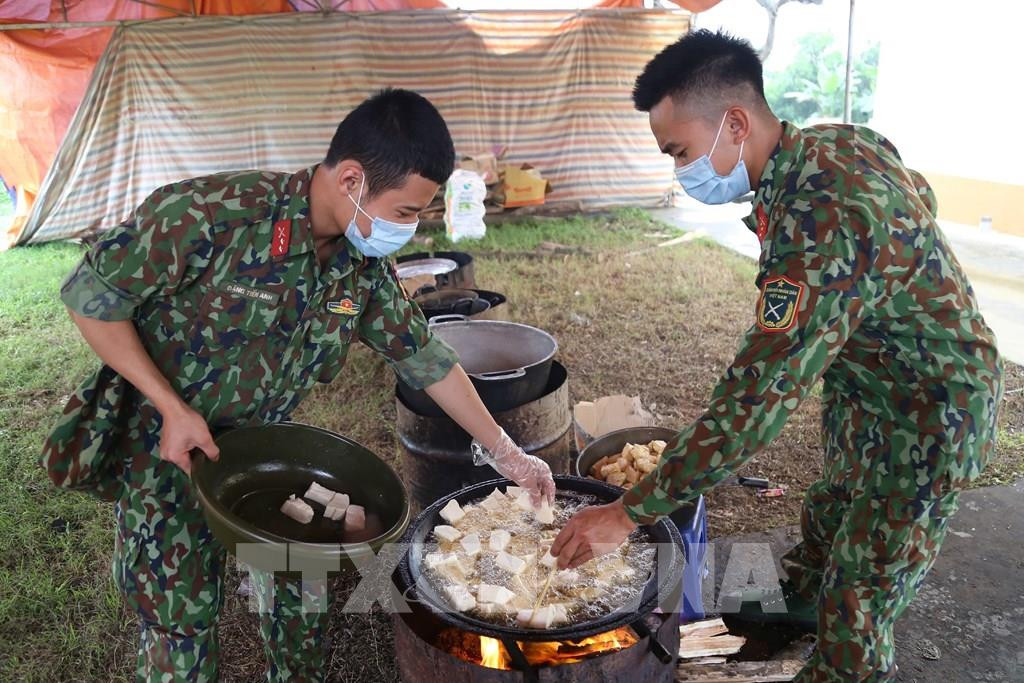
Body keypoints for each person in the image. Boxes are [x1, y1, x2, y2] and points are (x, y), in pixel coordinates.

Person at [42, 88, 555, 682]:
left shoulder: (361, 265)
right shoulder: (208, 216)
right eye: (406, 213)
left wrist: (505, 450)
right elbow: (92, 301)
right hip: (168, 449)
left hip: (268, 456)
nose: (409, 233)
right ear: (353, 180)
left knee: (299, 596)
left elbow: (425, 358)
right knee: (180, 622)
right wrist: (170, 406)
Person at [551, 30, 1003, 681]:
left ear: (734, 123)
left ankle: (848, 663)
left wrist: (625, 513)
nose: (679, 170)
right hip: (869, 386)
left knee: (861, 585)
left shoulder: (821, 220)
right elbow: (919, 193)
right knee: (830, 513)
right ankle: (792, 614)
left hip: (935, 408)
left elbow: (755, 403)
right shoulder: (832, 143)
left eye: (679, 151)